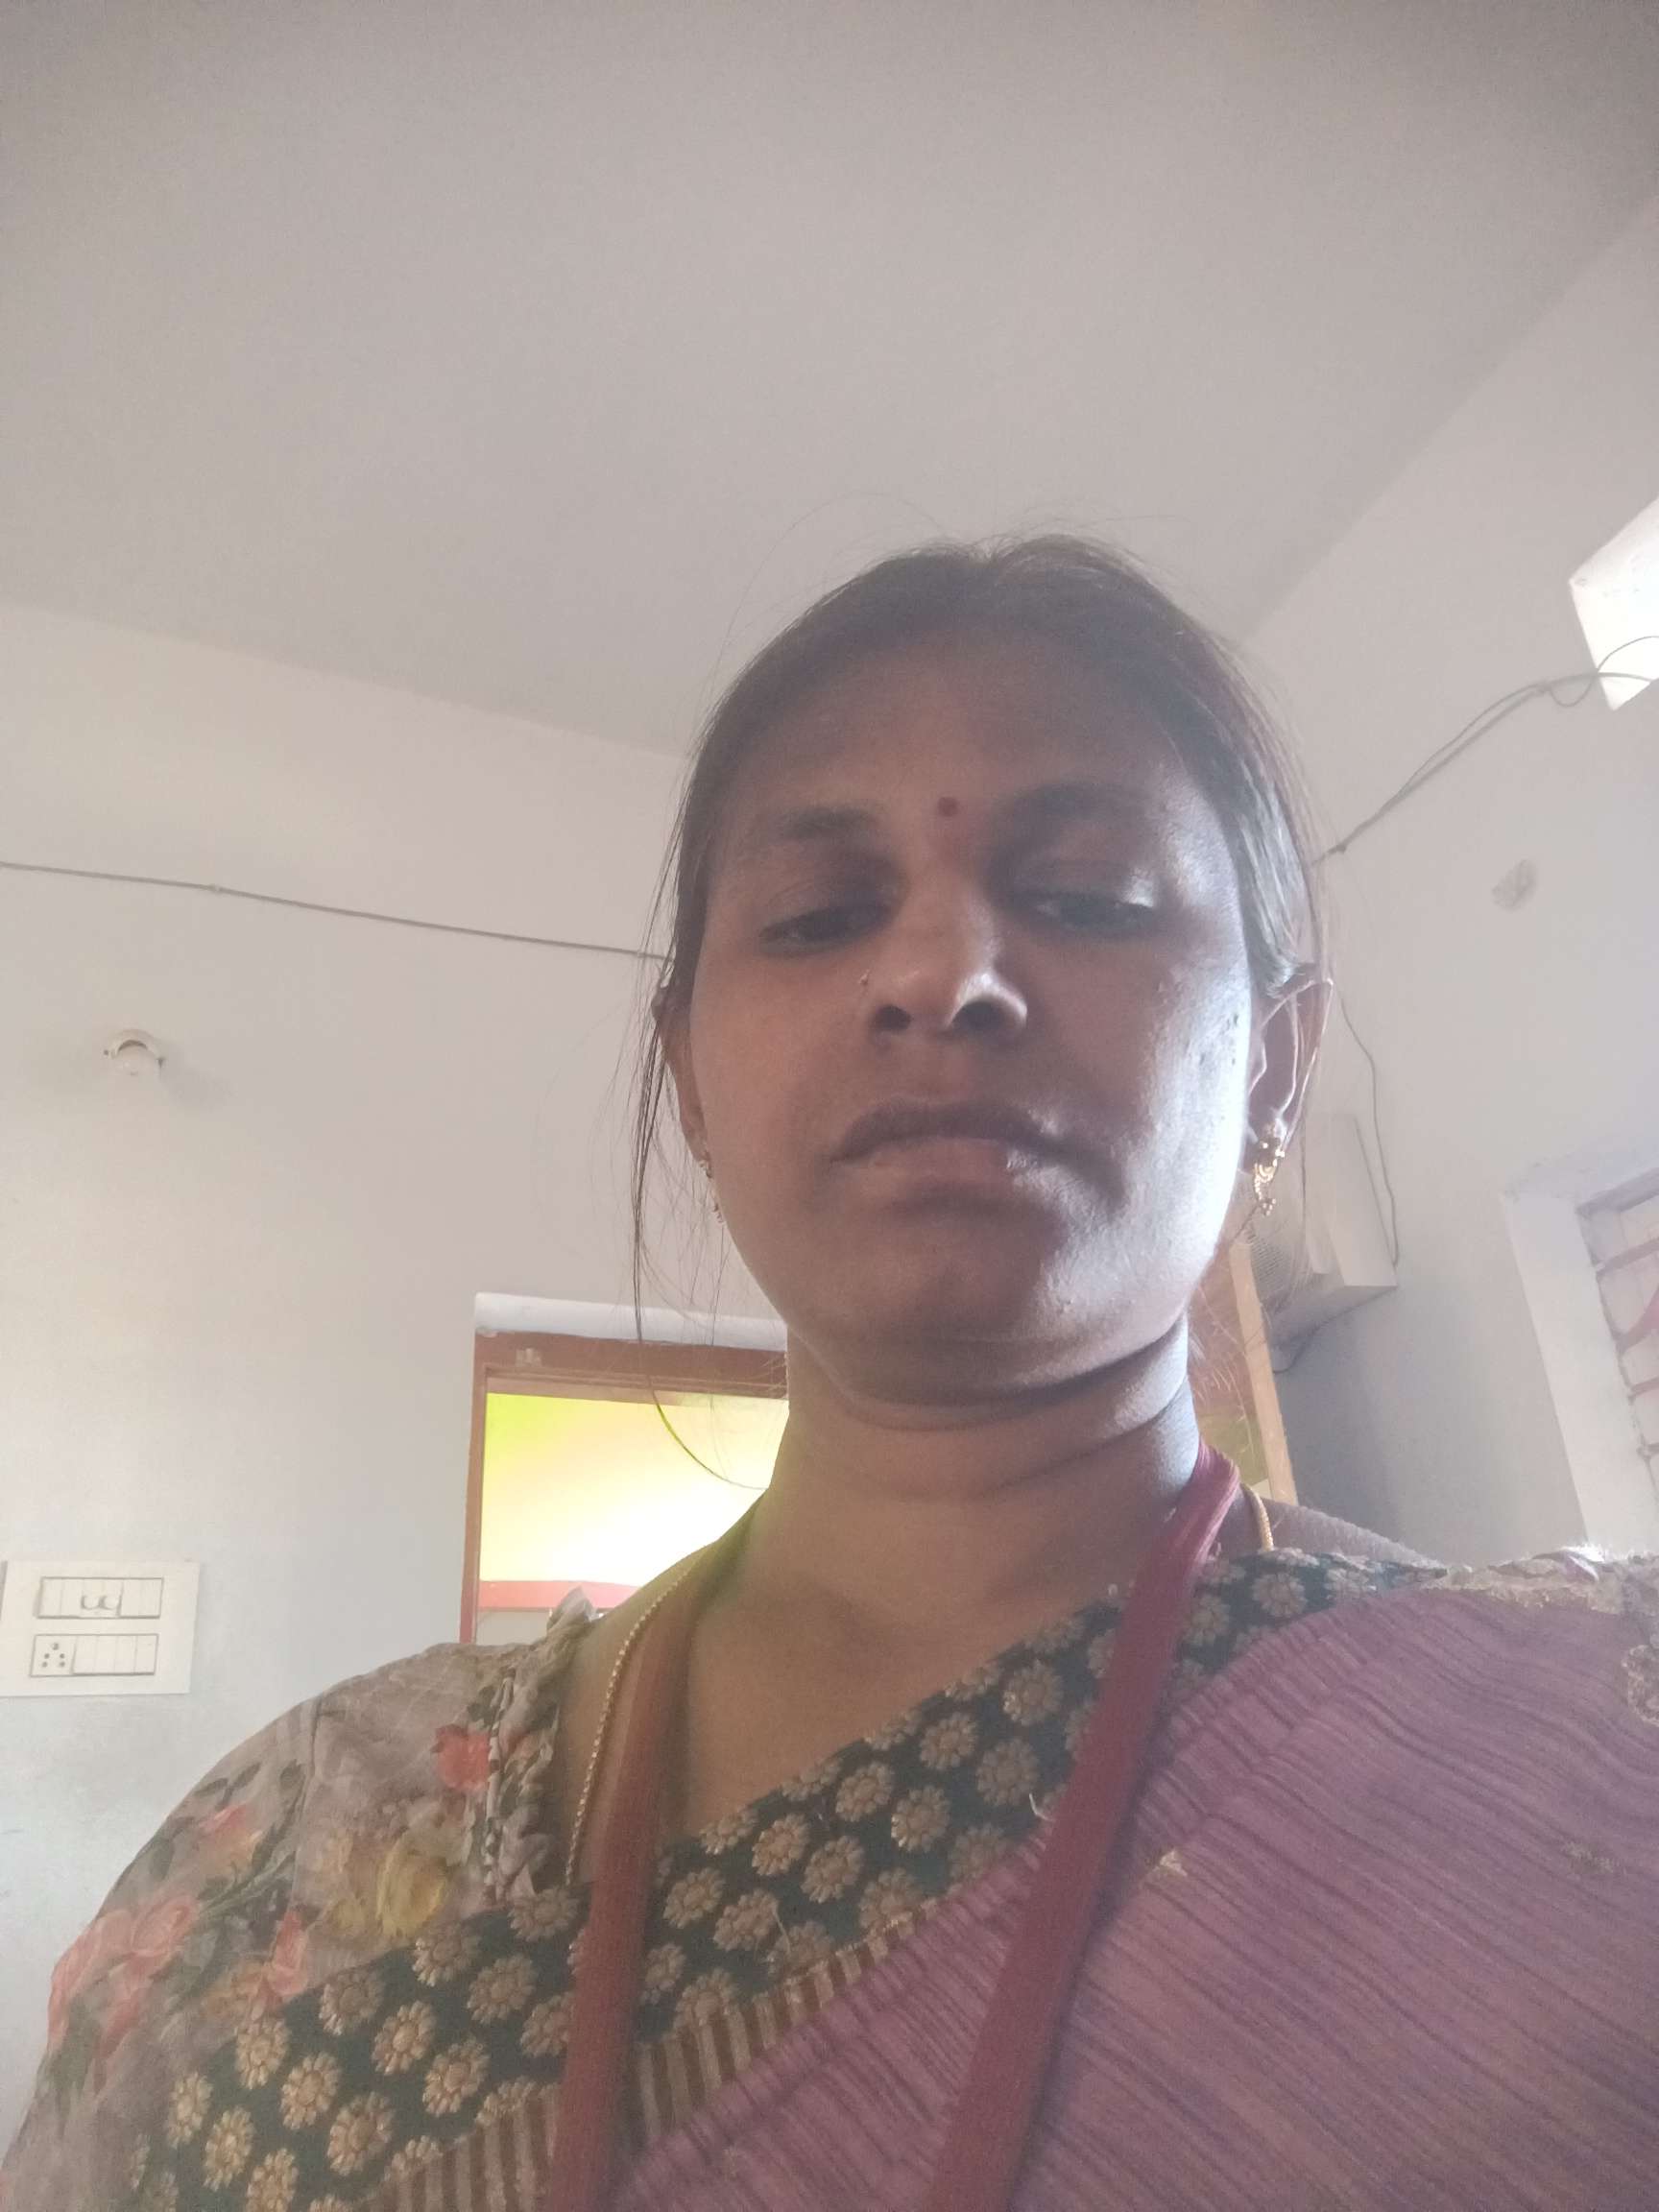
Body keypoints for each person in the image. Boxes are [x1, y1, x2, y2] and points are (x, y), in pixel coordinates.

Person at [5, 538, 1656, 2212]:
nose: (943, 976)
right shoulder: (284, 1869)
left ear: (1276, 1067)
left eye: (1086, 896)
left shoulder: (1594, 1752)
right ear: (690, 1081)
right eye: (816, 916)